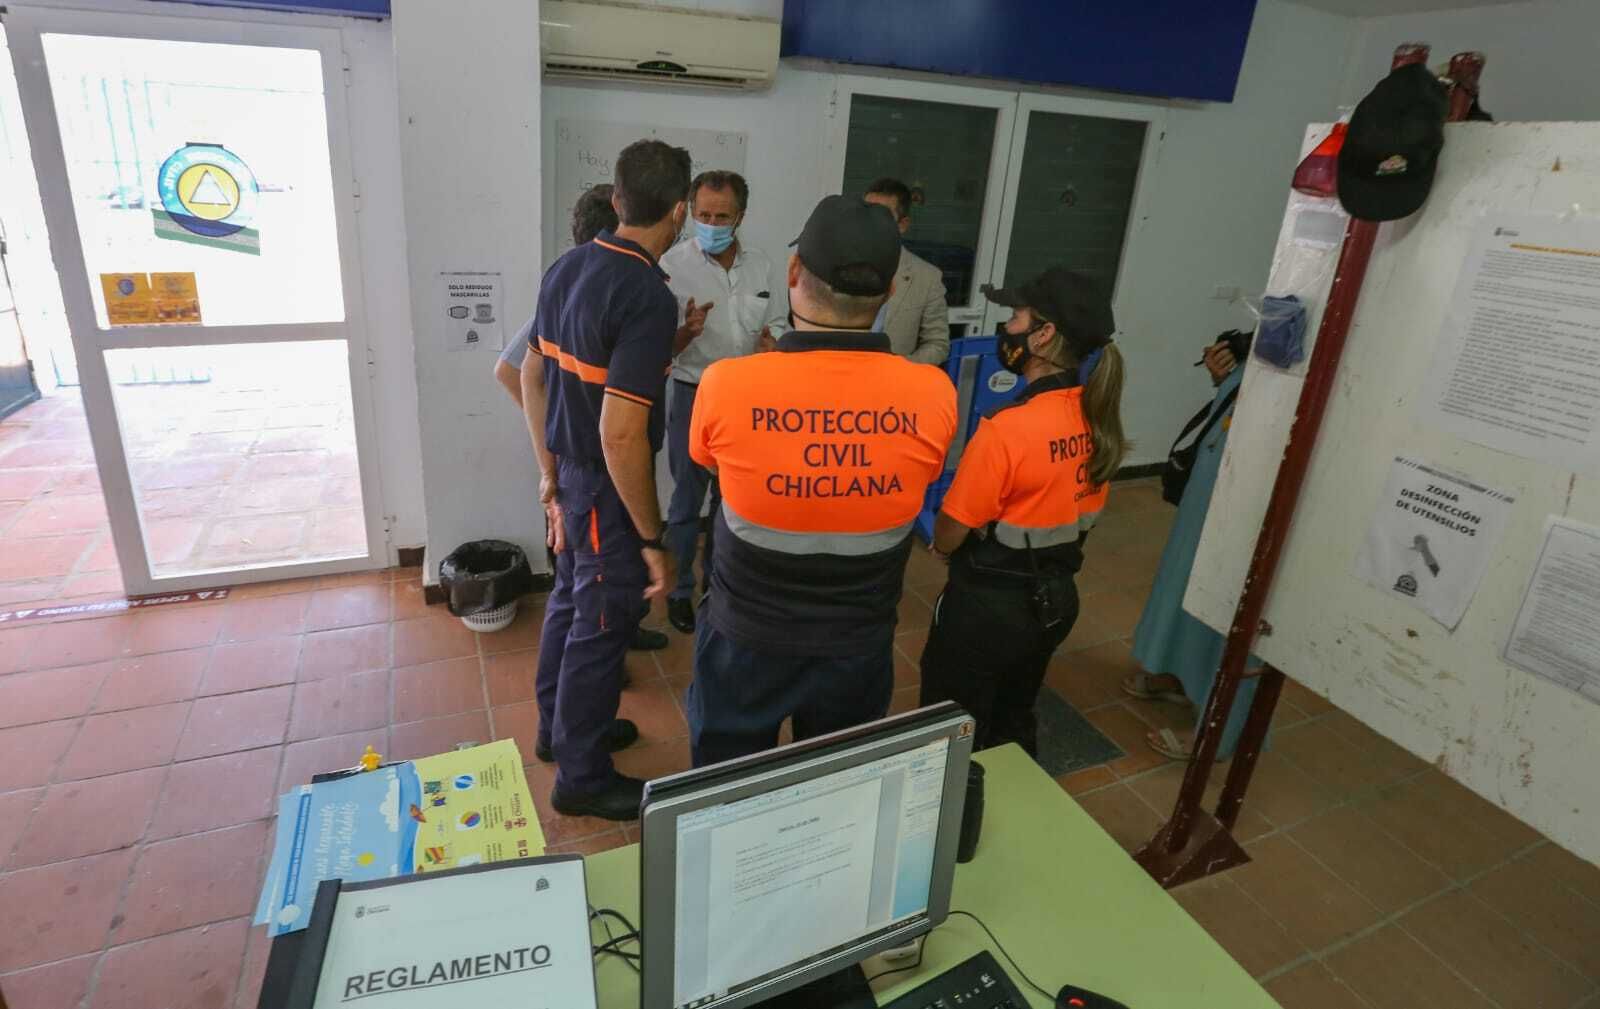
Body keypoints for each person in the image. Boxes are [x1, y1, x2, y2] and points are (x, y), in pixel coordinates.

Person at [684, 195, 957, 766]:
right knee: (835, 785)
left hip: (745, 640)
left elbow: (712, 467)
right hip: (857, 645)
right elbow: (918, 479)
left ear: (793, 273)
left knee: (727, 787)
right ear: (889, 291)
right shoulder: (934, 393)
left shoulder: (726, 384)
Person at [518, 139, 690, 820]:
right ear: (679, 211)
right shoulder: (647, 295)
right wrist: (651, 537)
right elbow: (621, 435)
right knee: (599, 624)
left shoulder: (567, 267)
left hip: (572, 475)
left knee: (568, 602)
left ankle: (558, 733)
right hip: (604, 488)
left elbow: (531, 373)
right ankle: (582, 778)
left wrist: (549, 474)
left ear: (617, 201)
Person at [918, 268, 1127, 755]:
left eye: (1015, 317)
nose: (1006, 328)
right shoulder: (1097, 417)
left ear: (1043, 334)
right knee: (1014, 714)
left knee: (950, 730)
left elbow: (952, 529)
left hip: (985, 611)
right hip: (1053, 603)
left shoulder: (1008, 428)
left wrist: (943, 543)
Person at [495, 183, 667, 654]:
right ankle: (589, 687)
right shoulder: (574, 291)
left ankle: (610, 644)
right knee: (590, 607)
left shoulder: (586, 286)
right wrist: (556, 449)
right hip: (588, 469)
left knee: (586, 590)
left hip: (586, 464)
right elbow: (514, 372)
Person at [659, 171, 786, 637]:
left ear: (740, 217)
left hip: (748, 397)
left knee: (732, 500)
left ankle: (717, 586)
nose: (711, 224)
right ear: (691, 212)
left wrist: (776, 343)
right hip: (694, 394)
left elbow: (779, 321)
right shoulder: (671, 265)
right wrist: (686, 332)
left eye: (721, 216)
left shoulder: (762, 265)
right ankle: (679, 591)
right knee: (685, 501)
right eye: (703, 215)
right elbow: (661, 347)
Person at [1125, 336, 1261, 761]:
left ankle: (1218, 731)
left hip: (1251, 500)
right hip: (1213, 484)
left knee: (1230, 605)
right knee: (1188, 578)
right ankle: (1181, 675)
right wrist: (1227, 378)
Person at [862, 177, 950, 366]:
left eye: (882, 216)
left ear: (902, 225)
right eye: (865, 214)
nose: (871, 223)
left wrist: (900, 369)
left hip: (892, 380)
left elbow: (937, 345)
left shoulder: (927, 278)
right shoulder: (839, 263)